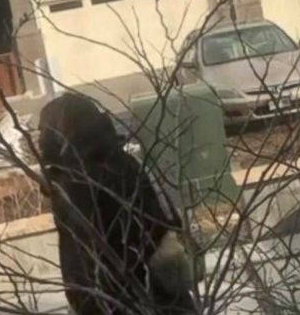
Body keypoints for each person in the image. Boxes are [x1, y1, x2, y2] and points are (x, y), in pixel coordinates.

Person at [39, 93, 193, 314]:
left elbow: (82, 257)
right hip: (156, 292)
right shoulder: (124, 164)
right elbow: (161, 224)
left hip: (110, 298)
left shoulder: (72, 183)